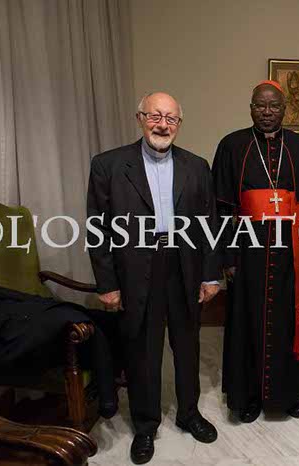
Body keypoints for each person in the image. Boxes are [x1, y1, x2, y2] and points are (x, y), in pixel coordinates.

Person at [87, 92, 220, 465]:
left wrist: (211, 275)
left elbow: (210, 224)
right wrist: (107, 283)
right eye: (155, 116)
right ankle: (145, 426)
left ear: (179, 123)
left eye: (171, 118)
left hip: (184, 265)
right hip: (134, 268)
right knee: (142, 350)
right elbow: (97, 229)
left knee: (187, 345)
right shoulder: (108, 165)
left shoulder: (197, 166)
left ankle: (189, 413)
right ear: (140, 118)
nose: (163, 124)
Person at [212, 80, 299, 423]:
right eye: (260, 106)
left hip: (293, 249)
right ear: (250, 108)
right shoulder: (232, 146)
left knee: (291, 319)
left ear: (284, 109)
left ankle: (292, 394)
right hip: (248, 249)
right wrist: (227, 257)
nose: (267, 112)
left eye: (274, 106)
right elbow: (221, 209)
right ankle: (247, 396)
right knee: (247, 321)